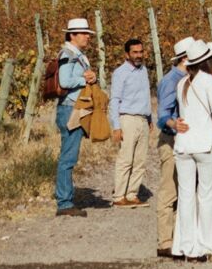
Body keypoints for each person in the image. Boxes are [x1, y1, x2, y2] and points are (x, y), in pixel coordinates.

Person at [172, 41, 212, 261]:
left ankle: (186, 246)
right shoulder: (209, 80)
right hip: (204, 144)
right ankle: (208, 246)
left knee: (185, 196)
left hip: (183, 145)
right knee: (206, 196)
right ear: (206, 60)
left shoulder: (182, 83)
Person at [54, 17, 100, 216]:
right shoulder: (68, 54)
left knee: (70, 155)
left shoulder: (77, 55)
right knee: (68, 157)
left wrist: (90, 77)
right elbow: (65, 81)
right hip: (70, 109)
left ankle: (65, 199)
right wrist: (84, 79)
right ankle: (64, 203)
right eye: (83, 34)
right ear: (72, 35)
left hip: (75, 107)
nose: (87, 37)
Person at [153, 38, 195, 256]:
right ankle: (165, 242)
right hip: (171, 140)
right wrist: (174, 124)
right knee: (169, 189)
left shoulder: (189, 78)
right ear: (185, 58)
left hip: (184, 139)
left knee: (183, 189)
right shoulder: (172, 81)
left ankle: (179, 238)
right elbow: (162, 115)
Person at [108, 38, 153, 206]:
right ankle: (119, 196)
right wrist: (116, 126)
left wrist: (149, 118)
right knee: (125, 159)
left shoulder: (144, 71)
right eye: (135, 52)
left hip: (142, 119)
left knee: (140, 160)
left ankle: (132, 194)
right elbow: (115, 100)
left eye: (141, 52)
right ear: (127, 54)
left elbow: (145, 96)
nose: (138, 55)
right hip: (127, 119)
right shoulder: (120, 73)